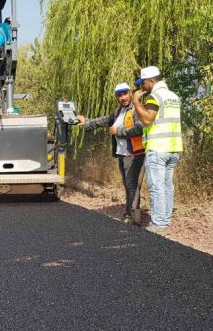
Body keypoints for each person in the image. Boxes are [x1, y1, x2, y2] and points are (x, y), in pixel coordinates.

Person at [77, 82, 146, 222]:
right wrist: (86, 122)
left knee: (132, 185)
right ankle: (132, 214)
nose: (123, 98)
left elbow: (140, 128)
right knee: (128, 184)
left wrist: (118, 132)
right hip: (122, 154)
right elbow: (104, 120)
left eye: (125, 94)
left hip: (134, 154)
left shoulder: (136, 109)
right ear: (116, 97)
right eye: (119, 95)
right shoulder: (118, 111)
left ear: (130, 93)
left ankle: (131, 216)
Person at [132, 66, 183, 234]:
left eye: (144, 83)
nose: (142, 87)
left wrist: (136, 102)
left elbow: (147, 119)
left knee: (157, 186)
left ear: (151, 81)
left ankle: (159, 224)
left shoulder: (155, 97)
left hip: (158, 148)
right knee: (167, 186)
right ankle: (165, 220)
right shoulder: (173, 96)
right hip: (173, 148)